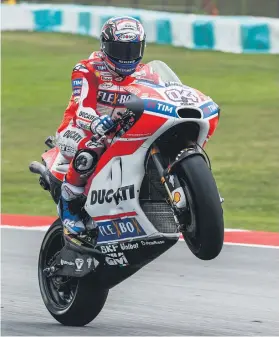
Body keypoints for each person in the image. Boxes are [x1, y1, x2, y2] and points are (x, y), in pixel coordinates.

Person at [55, 16, 160, 251]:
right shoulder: (87, 69)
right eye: (119, 49)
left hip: (121, 131)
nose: (126, 56)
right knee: (91, 150)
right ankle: (69, 201)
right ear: (105, 46)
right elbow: (81, 107)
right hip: (78, 129)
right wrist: (94, 124)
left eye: (133, 49)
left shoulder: (149, 74)